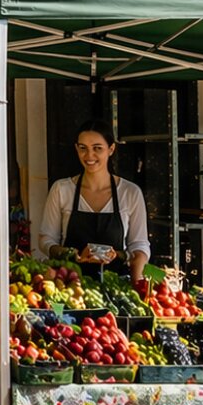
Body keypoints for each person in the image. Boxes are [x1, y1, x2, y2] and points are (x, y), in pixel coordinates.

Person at [38, 119, 150, 283]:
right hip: (68, 285)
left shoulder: (130, 192)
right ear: (76, 148)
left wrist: (137, 285)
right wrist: (70, 254)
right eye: (83, 148)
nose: (89, 156)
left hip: (117, 287)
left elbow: (139, 245)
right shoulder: (61, 190)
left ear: (111, 149)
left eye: (97, 148)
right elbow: (46, 239)